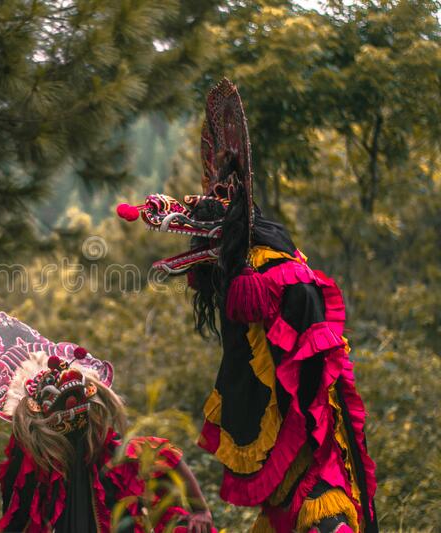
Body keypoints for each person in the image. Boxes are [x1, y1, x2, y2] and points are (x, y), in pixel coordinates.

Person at [116, 78, 378, 532]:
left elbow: (314, 348)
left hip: (311, 453)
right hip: (279, 461)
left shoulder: (274, 270)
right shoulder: (240, 272)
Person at [0, 312, 215, 533]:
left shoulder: (115, 456)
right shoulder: (38, 468)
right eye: (60, 406)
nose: (70, 412)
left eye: (76, 401)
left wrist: (201, 510)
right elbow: (18, 518)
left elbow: (167, 456)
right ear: (40, 412)